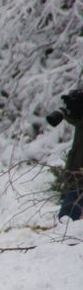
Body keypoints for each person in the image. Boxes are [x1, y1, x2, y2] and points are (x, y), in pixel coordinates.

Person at [57, 89, 83, 221]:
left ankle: (69, 240)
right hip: (77, 174)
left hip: (79, 177)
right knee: (67, 218)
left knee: (67, 219)